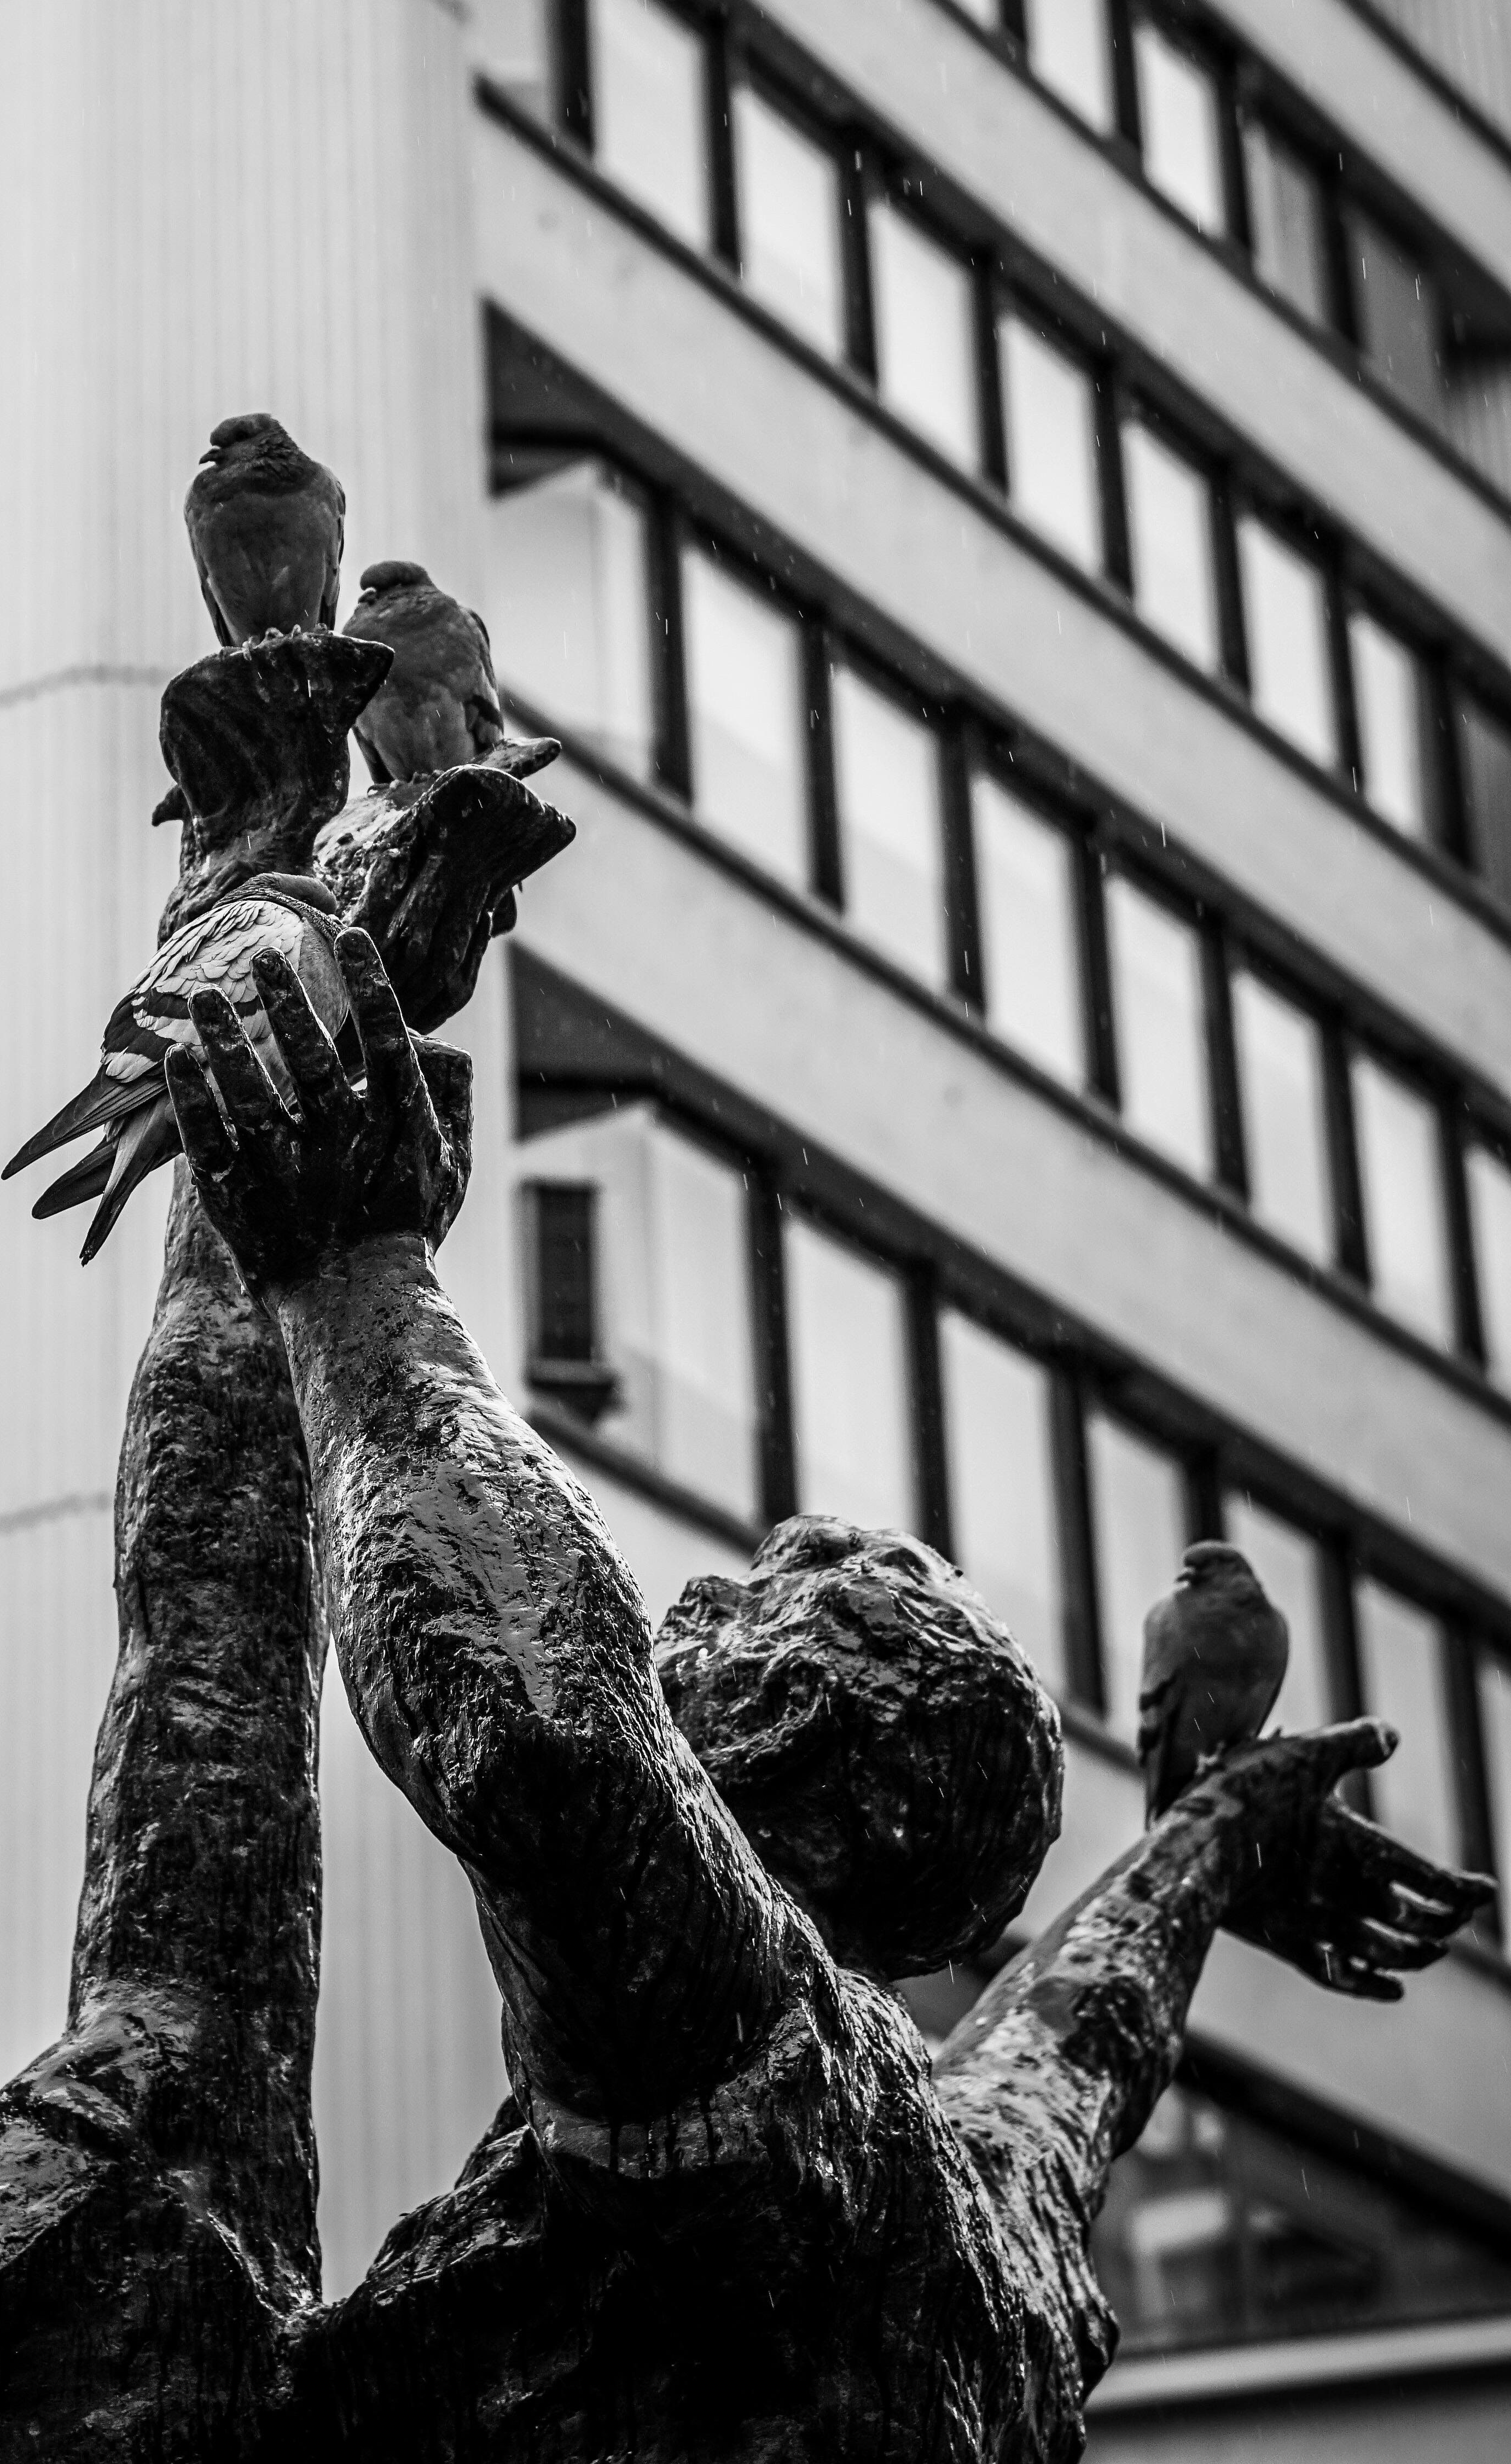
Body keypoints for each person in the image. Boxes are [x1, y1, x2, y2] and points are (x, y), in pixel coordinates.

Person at [164, 926, 1492, 2464]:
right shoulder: (973, 2224)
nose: (686, 1611)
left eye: (737, 1604)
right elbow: (1075, 2045)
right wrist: (1213, 1843)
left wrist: (361, 1286)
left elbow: (543, 1744)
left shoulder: (734, 2080)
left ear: (784, 1722)